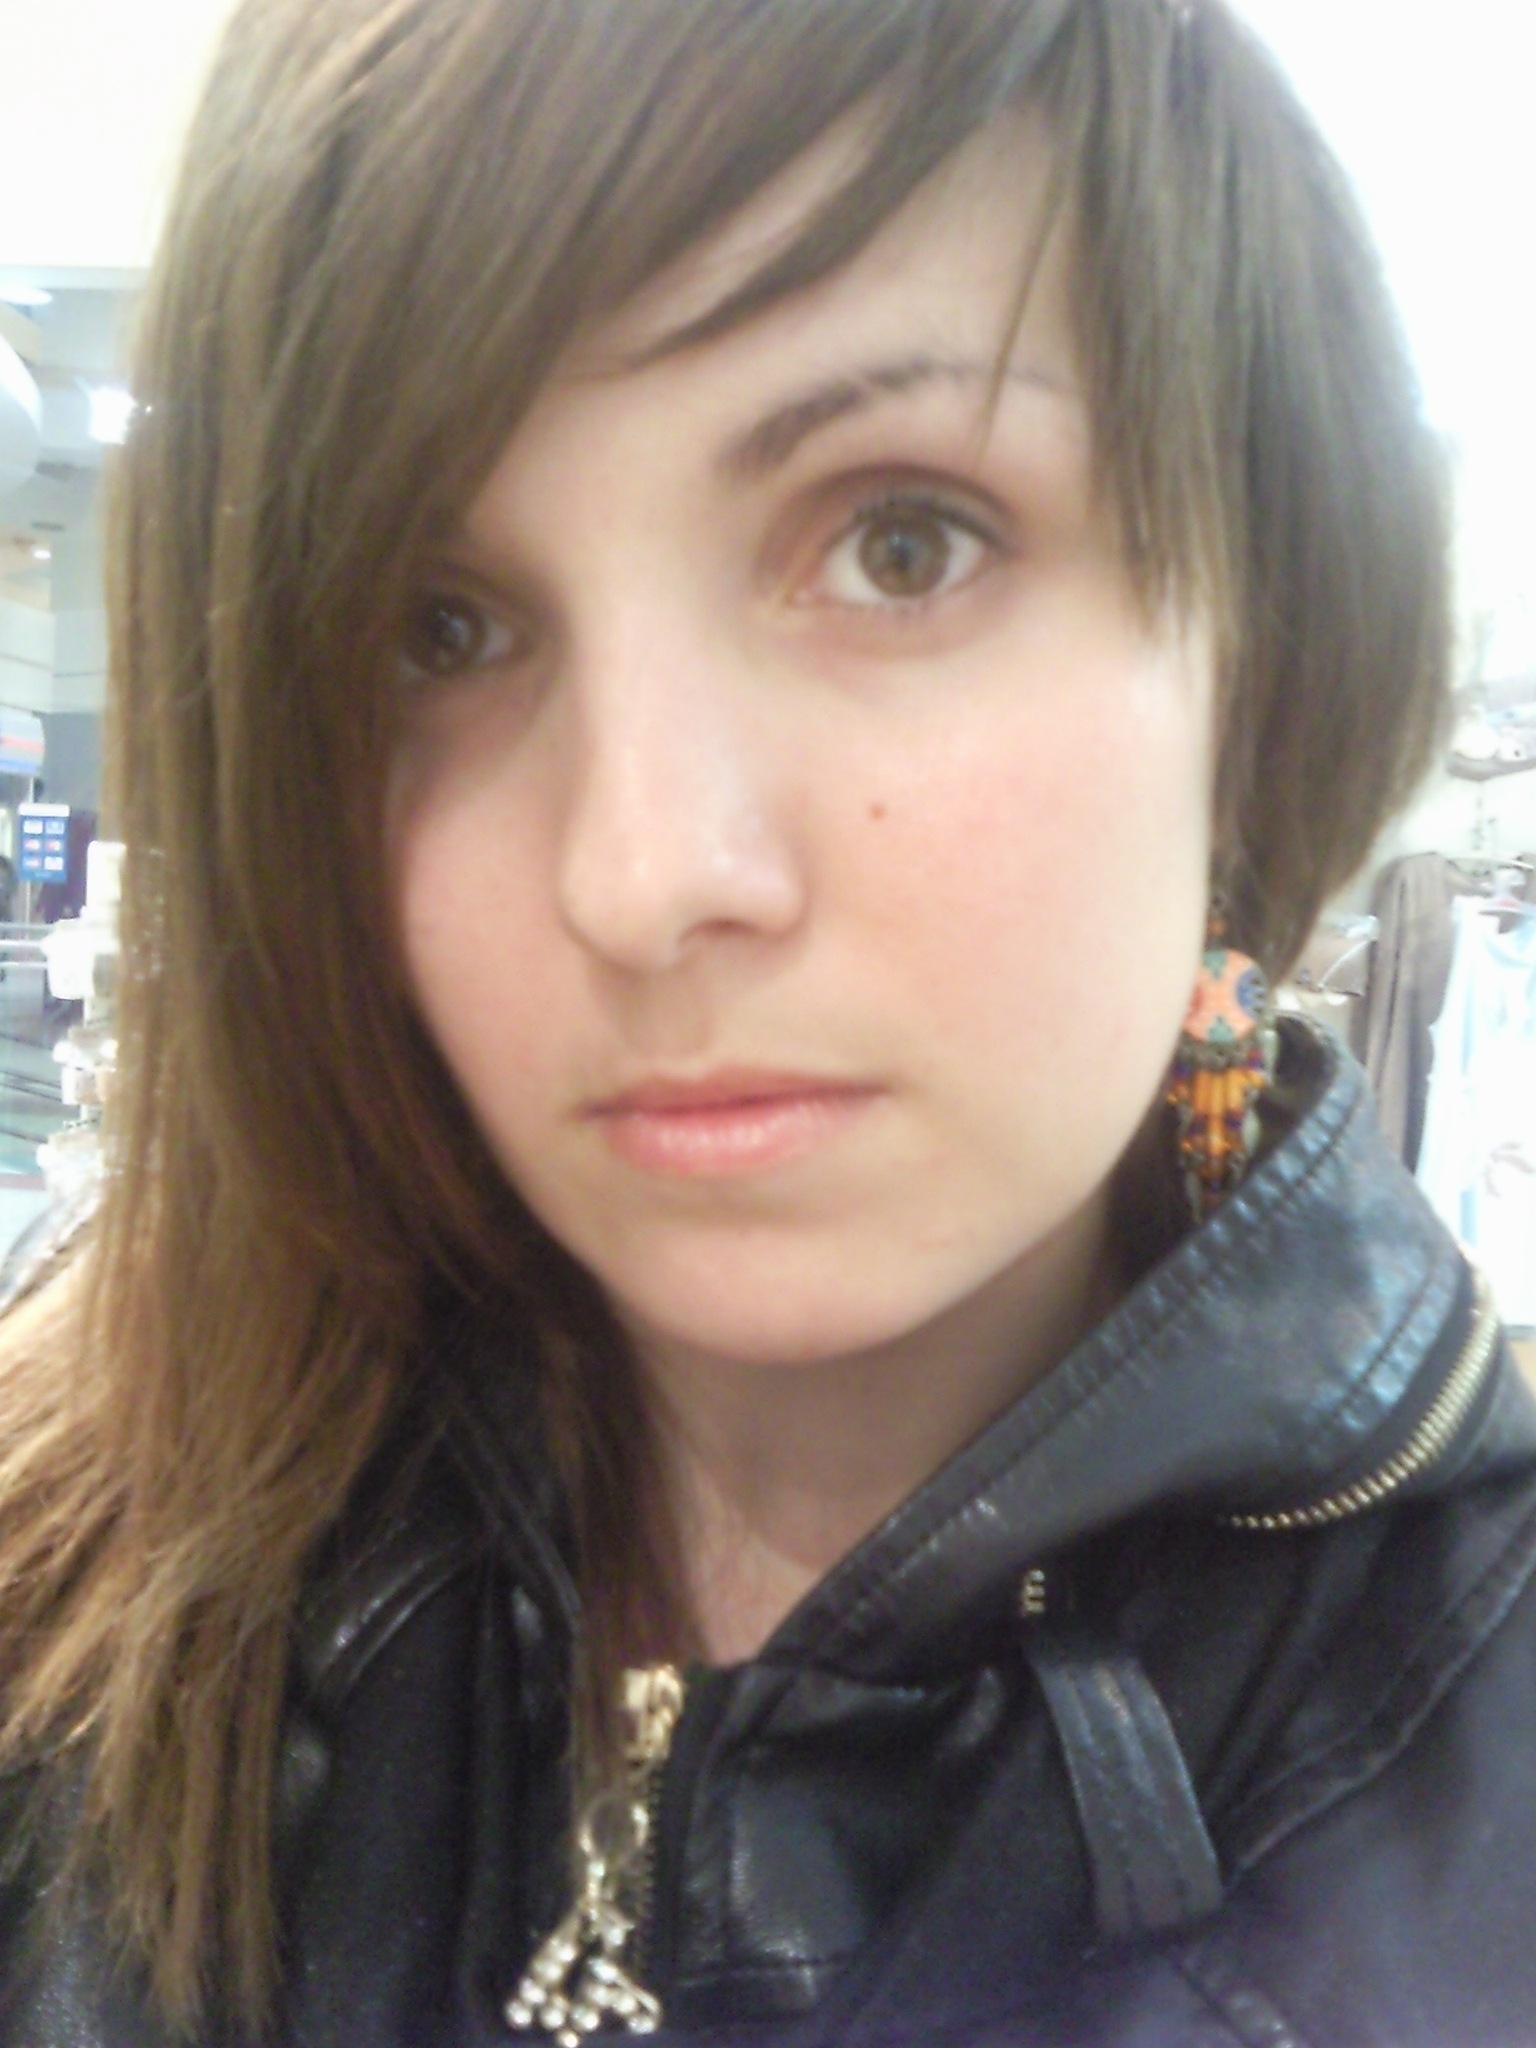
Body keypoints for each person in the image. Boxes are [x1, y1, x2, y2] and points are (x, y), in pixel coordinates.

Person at [0, 1, 1532, 2044]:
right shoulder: (81, 1559)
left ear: (1257, 657)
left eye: (903, 543)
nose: (644, 873)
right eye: (441, 629)